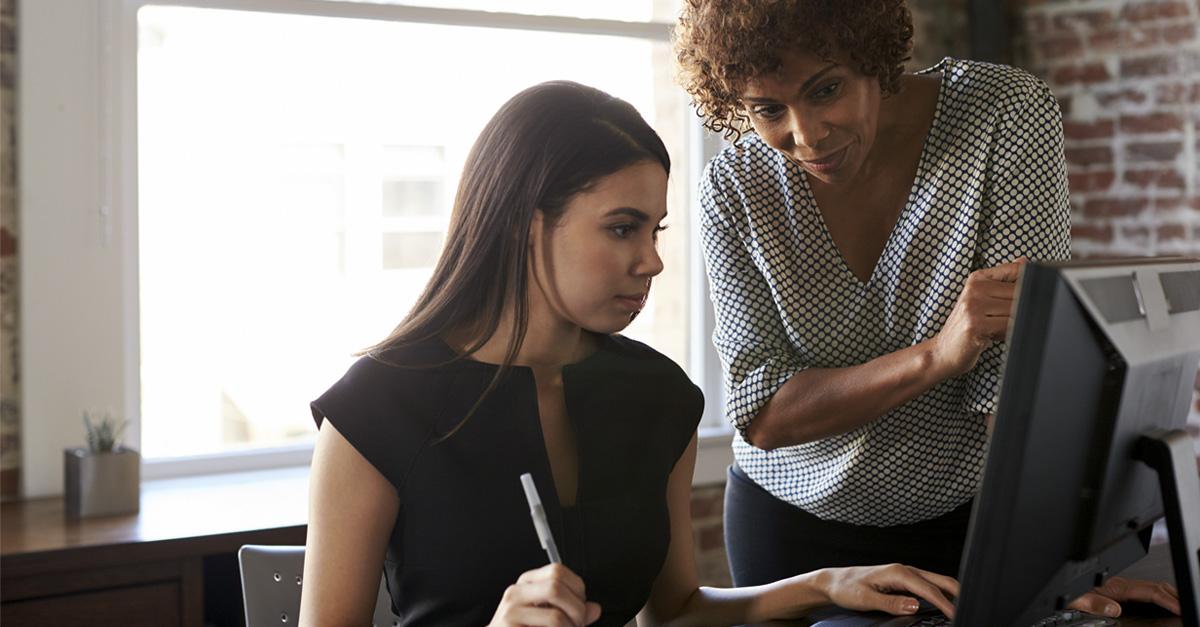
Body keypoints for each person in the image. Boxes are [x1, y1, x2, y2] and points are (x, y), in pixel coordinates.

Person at [299, 80, 966, 627]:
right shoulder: (374, 411)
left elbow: (674, 610)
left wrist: (826, 583)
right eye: (622, 228)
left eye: (655, 230)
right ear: (522, 223)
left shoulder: (659, 396)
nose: (650, 261)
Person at [672, 0, 1180, 619]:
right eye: (767, 109)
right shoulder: (733, 187)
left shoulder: (1001, 114)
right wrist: (938, 355)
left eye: (825, 89)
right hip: (792, 532)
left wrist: (1053, 565)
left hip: (968, 521)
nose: (806, 136)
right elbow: (763, 412)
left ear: (873, 57)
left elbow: (1010, 376)